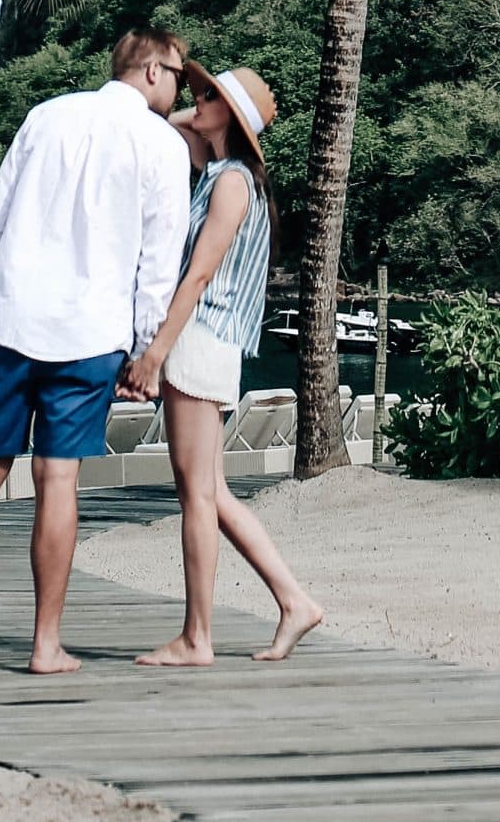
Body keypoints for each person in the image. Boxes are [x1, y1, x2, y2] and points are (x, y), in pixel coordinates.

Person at [0, 29, 192, 675]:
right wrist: (148, 350)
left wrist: (13, 274)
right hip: (91, 333)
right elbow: (158, 264)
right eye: (178, 71)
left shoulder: (46, 117)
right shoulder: (160, 145)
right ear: (151, 70)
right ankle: (44, 646)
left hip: (12, 319)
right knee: (58, 480)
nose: (180, 85)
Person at [119, 59, 323, 667]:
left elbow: (200, 271)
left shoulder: (231, 182)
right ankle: (293, 602)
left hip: (200, 338)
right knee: (211, 492)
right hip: (208, 339)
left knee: (197, 496)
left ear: (229, 119)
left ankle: (197, 637)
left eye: (209, 96)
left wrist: (155, 351)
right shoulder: (223, 172)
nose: (195, 98)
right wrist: (211, 112)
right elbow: (169, 126)